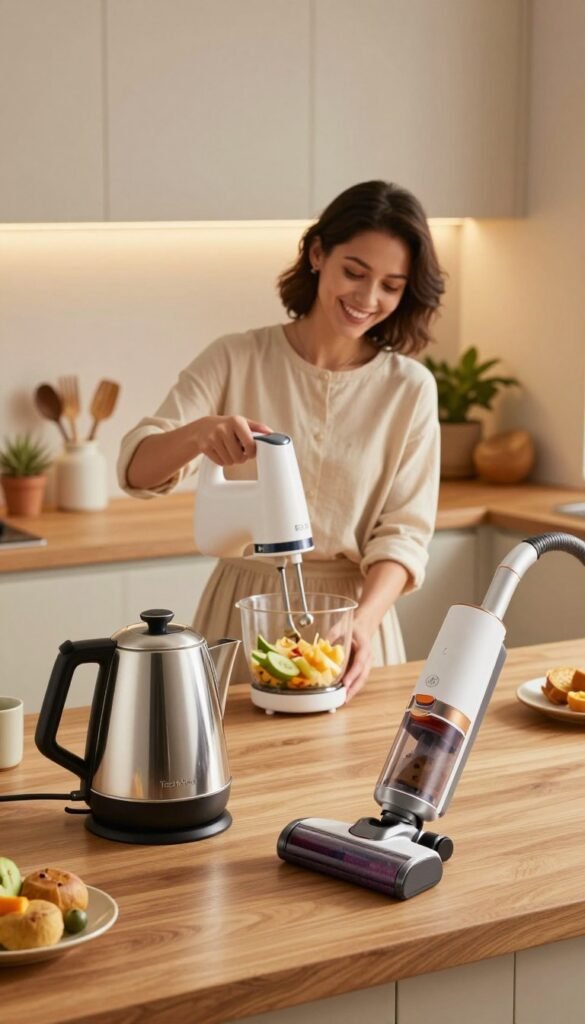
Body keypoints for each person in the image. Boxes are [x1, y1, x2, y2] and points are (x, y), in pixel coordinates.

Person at [117, 180, 445, 700]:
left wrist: (361, 623)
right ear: (318, 254)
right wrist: (199, 434)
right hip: (242, 606)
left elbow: (405, 535)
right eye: (354, 273)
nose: (367, 298)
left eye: (391, 285)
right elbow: (137, 470)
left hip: (355, 622)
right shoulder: (234, 357)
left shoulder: (409, 389)